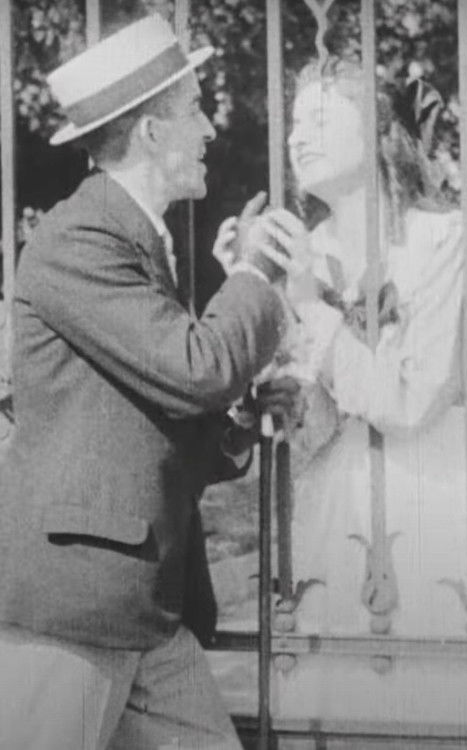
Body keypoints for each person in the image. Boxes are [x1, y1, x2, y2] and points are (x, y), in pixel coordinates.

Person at [0, 15, 306, 750]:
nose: (209, 128)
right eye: (195, 109)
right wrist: (255, 274)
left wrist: (239, 424)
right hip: (77, 608)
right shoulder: (79, 239)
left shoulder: (132, 238)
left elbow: (147, 410)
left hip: (140, 607)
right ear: (149, 132)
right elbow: (196, 369)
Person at [216, 57, 467, 725]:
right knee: (338, 704)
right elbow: (309, 428)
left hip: (432, 493)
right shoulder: (304, 250)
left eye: (319, 117)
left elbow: (410, 401)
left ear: (378, 127)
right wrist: (247, 289)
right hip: (335, 504)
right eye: (294, 123)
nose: (298, 136)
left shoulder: (449, 238)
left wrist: (310, 302)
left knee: (435, 702)